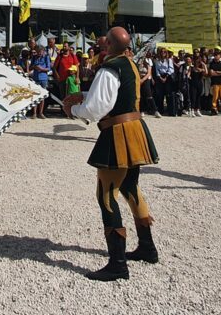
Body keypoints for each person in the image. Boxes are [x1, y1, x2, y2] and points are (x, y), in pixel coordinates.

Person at [64, 26, 159, 282]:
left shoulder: (108, 69)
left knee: (106, 196)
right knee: (131, 188)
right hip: (135, 130)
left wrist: (73, 110)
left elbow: (96, 108)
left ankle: (117, 263)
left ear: (108, 47)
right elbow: (117, 95)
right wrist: (82, 95)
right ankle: (148, 247)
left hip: (118, 133)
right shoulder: (129, 64)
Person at [29, 46, 51, 119]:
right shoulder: (34, 57)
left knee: (42, 96)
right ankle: (34, 113)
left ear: (43, 51)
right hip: (35, 78)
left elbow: (49, 68)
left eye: (40, 52)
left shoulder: (46, 57)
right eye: (37, 51)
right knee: (35, 95)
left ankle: (41, 113)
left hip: (43, 78)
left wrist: (41, 69)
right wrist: (34, 67)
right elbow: (30, 67)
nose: (39, 53)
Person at [208, 50, 221, 116]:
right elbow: (211, 73)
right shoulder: (212, 63)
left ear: (220, 56)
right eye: (215, 55)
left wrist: (217, 72)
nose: (216, 56)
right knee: (215, 97)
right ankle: (214, 109)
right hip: (215, 82)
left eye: (218, 55)